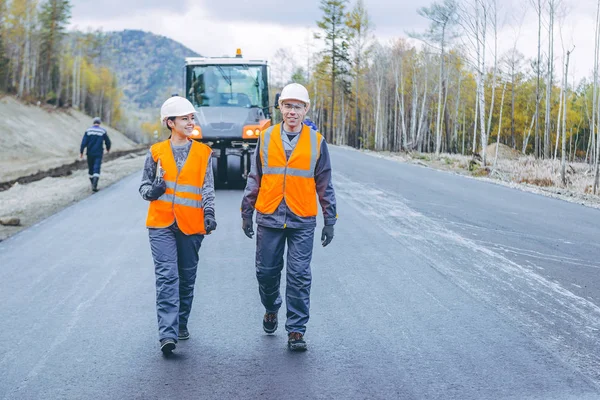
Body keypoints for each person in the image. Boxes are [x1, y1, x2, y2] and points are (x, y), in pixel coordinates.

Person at [241, 83, 337, 351]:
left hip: (302, 218)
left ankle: (296, 330)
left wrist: (330, 219)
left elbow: (325, 183)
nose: (292, 111)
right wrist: (246, 212)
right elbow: (255, 177)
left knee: (299, 275)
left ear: (306, 109)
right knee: (266, 273)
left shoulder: (317, 142)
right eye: (287, 105)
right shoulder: (266, 137)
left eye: (298, 106)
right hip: (270, 215)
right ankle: (271, 308)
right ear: (280, 107)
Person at [139, 96, 217, 355]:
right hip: (161, 223)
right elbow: (143, 187)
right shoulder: (156, 152)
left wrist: (209, 213)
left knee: (186, 278)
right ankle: (167, 334)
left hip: (192, 225)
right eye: (185, 119)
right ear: (170, 123)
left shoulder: (204, 153)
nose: (190, 122)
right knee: (167, 277)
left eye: (192, 118)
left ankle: (181, 322)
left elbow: (207, 188)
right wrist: (153, 191)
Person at [80, 117, 111, 192]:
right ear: (99, 123)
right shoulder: (102, 131)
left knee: (90, 168)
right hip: (98, 152)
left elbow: (84, 142)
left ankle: (92, 183)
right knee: (97, 167)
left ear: (93, 123)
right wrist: (108, 148)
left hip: (89, 152)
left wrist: (81, 152)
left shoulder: (88, 131)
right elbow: (108, 141)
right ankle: (95, 184)